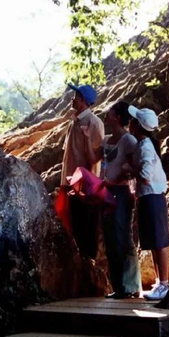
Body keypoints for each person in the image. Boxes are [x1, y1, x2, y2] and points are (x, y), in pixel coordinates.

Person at [128, 105, 169, 301]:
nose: (129, 123)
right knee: (154, 242)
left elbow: (145, 177)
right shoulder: (143, 145)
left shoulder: (145, 147)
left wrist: (130, 168)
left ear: (137, 126)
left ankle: (164, 283)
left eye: (133, 120)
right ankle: (159, 281)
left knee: (159, 242)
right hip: (148, 197)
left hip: (152, 196)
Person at [100, 101, 142, 299]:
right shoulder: (106, 139)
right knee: (110, 238)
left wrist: (122, 176)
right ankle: (118, 286)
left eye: (109, 111)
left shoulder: (128, 140)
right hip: (105, 192)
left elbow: (136, 168)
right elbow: (98, 160)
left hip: (122, 192)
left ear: (117, 117)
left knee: (123, 237)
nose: (106, 114)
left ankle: (131, 285)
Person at [61, 83, 105, 260]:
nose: (73, 99)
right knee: (75, 228)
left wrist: (89, 188)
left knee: (86, 230)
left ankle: (90, 267)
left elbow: (96, 157)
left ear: (84, 101)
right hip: (71, 183)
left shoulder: (94, 123)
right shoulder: (74, 121)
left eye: (76, 96)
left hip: (85, 187)